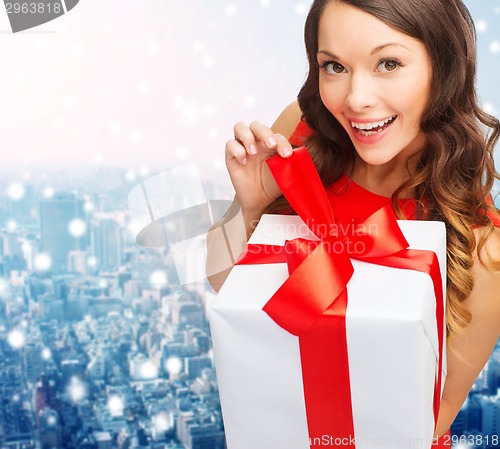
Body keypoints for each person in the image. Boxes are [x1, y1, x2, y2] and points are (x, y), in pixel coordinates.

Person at [206, 0, 500, 445]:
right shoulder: (300, 132)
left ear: (445, 68)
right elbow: (220, 279)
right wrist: (249, 205)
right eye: (334, 66)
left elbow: (430, 417)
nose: (356, 99)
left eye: (388, 63)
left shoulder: (482, 249)